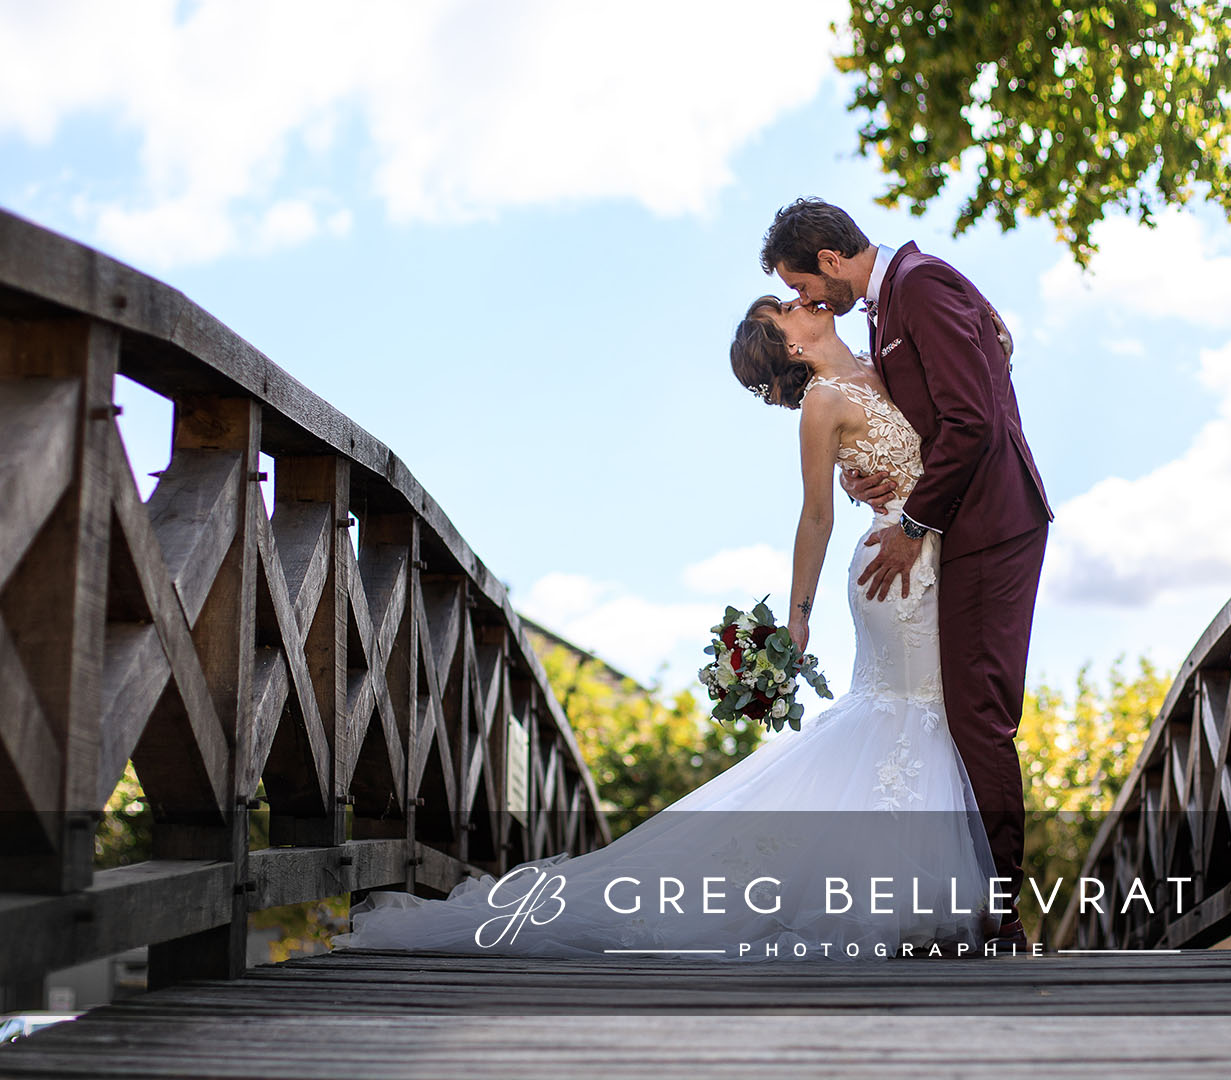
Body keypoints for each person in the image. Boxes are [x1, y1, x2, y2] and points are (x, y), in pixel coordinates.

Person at [333, 294, 1002, 960]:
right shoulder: (824, 402)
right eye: (786, 310)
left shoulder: (879, 362)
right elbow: (817, 516)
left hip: (940, 558)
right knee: (905, 714)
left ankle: (905, 897)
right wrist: (798, 619)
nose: (802, 302)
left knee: (923, 716)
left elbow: (955, 414)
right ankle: (906, 905)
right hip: (893, 571)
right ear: (793, 346)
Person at [760, 199, 1053, 947]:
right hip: (941, 537)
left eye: (804, 287)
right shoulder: (883, 312)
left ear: (829, 262)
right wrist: (869, 471)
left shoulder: (916, 285)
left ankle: (997, 919)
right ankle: (973, 911)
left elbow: (975, 420)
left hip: (983, 525)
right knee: (954, 718)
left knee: (975, 721)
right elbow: (931, 413)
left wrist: (916, 518)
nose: (807, 302)